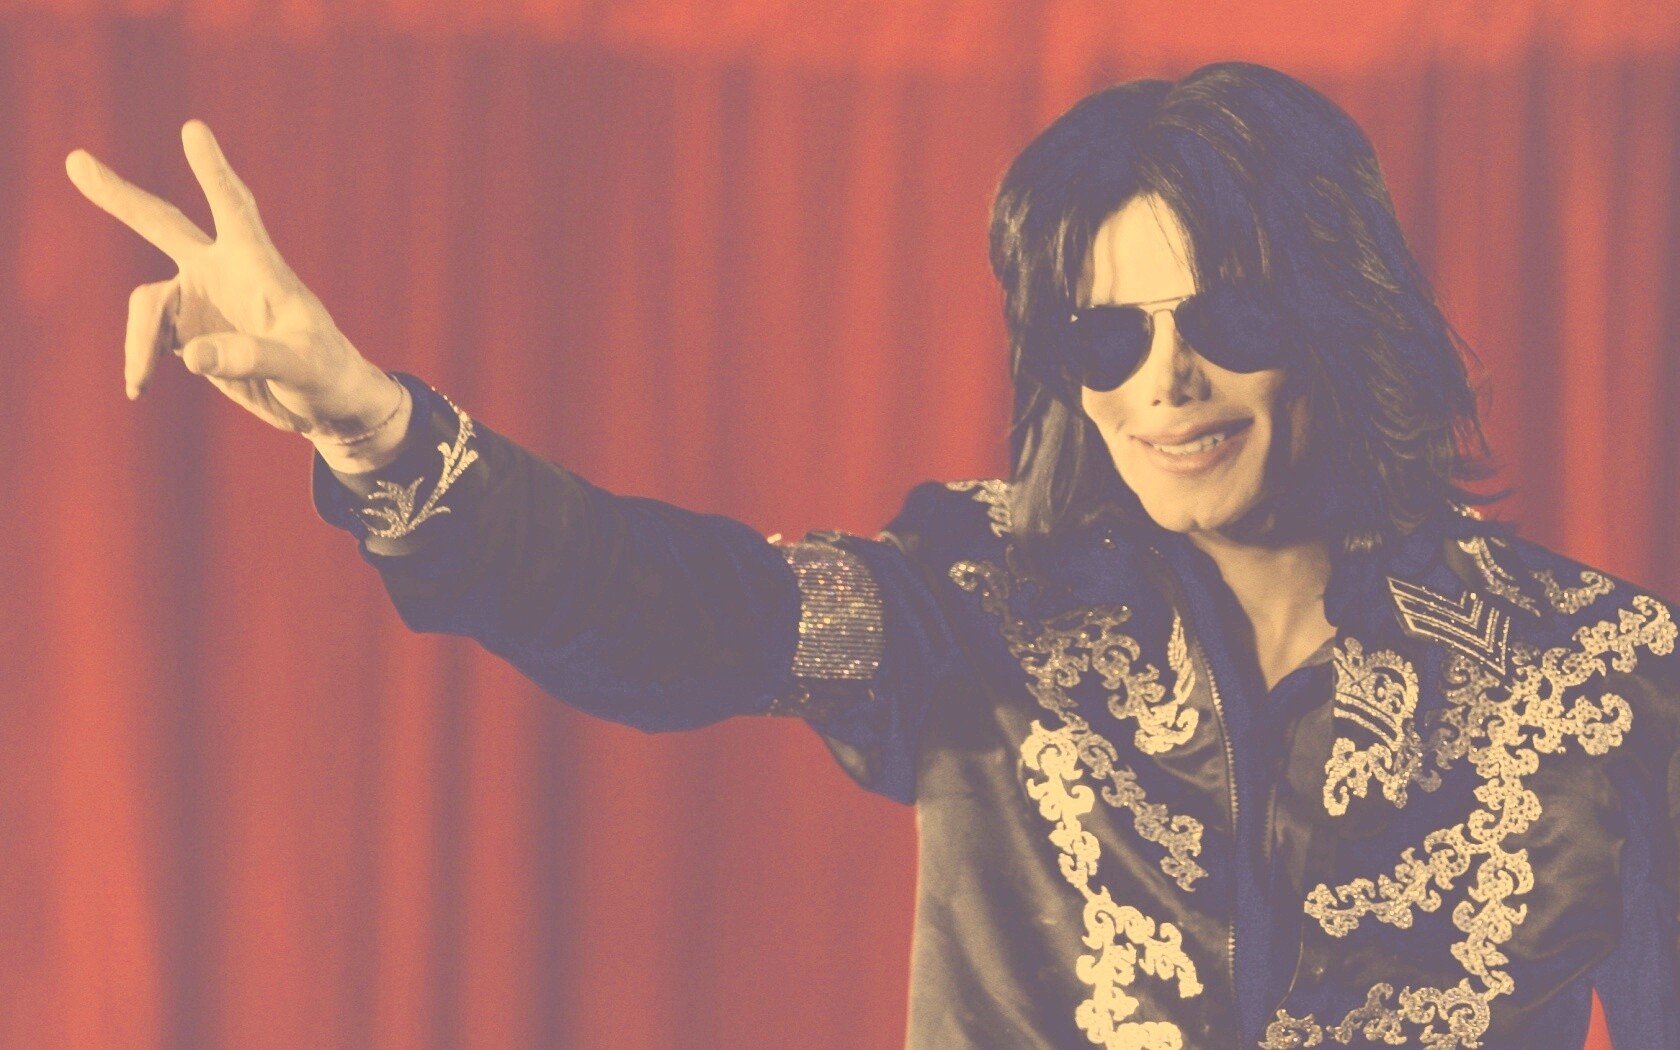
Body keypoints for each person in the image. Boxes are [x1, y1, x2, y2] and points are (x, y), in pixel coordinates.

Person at [68, 62, 1678, 1050]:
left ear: (1336, 317)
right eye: (1109, 334)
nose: (1167, 382)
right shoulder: (978, 600)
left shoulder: (1604, 679)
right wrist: (376, 427)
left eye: (1230, 317)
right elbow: (671, 604)